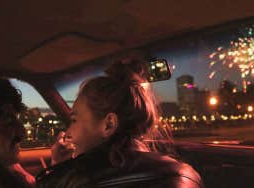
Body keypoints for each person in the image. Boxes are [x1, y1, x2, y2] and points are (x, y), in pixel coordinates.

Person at [37, 55, 203, 187]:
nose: (68, 133)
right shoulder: (185, 176)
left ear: (109, 124)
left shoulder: (70, 181)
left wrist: (59, 169)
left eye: (74, 120)